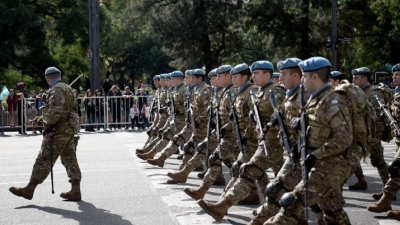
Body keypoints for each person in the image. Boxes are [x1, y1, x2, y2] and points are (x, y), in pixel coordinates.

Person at [265, 57, 353, 225]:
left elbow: (344, 137)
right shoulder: (314, 98)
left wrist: (316, 154)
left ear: (315, 77)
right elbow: (312, 131)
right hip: (315, 161)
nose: (302, 80)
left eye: (304, 76)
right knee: (333, 212)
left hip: (331, 164)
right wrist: (298, 148)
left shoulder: (332, 100)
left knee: (291, 204)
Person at [9, 66, 82, 201]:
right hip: (68, 128)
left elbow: (55, 111)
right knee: (69, 157)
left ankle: (29, 189)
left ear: (48, 78)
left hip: (58, 129)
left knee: (44, 158)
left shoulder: (57, 89)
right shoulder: (65, 88)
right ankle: (75, 189)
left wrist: (46, 123)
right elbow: (66, 107)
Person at [367, 63, 400, 220]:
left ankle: (385, 200)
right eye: (394, 74)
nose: (393, 77)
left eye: (397, 74)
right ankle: (386, 200)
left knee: (396, 168)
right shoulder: (396, 92)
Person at [351, 67, 389, 190]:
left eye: (356, 78)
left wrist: (374, 136)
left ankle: (389, 190)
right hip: (361, 132)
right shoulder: (359, 92)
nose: (353, 80)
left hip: (372, 134)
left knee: (378, 161)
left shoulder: (373, 93)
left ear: (365, 79)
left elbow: (378, 114)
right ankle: (361, 181)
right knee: (351, 158)